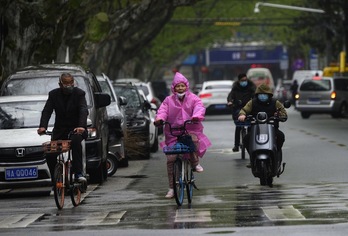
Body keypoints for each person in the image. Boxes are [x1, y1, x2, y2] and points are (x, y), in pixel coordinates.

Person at [154, 72, 211, 199]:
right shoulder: (168, 100)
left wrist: (196, 116)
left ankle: (195, 163)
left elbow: (199, 107)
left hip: (190, 129)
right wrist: (159, 119)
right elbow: (162, 111)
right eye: (178, 86)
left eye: (182, 86)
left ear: (186, 86)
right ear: (173, 88)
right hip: (173, 132)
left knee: (193, 143)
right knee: (171, 159)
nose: (180, 88)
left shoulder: (194, 98)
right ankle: (171, 188)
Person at [37, 73, 89, 183]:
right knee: (50, 152)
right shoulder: (53, 95)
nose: (69, 86)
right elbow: (47, 111)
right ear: (60, 84)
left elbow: (83, 110)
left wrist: (81, 126)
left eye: (71, 84)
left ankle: (78, 173)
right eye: (66, 84)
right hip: (60, 130)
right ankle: (55, 178)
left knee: (76, 142)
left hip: (76, 130)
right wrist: (43, 126)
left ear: (73, 83)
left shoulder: (79, 94)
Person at [238, 83, 287, 165]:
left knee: (280, 136)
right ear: (257, 95)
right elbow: (244, 110)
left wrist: (280, 116)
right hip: (255, 129)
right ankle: (253, 157)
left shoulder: (275, 102)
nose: (263, 96)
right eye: (261, 94)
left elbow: (283, 113)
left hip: (272, 129)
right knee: (246, 139)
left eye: (265, 94)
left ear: (269, 95)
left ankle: (276, 154)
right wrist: (242, 115)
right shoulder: (252, 102)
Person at [227, 73, 255, 152]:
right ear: (239, 81)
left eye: (245, 80)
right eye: (242, 80)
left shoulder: (251, 87)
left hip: (249, 108)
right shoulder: (235, 88)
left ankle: (251, 143)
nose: (244, 82)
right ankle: (236, 145)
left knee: (250, 126)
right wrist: (230, 102)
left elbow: (255, 95)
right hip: (238, 108)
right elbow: (230, 96)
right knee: (238, 126)